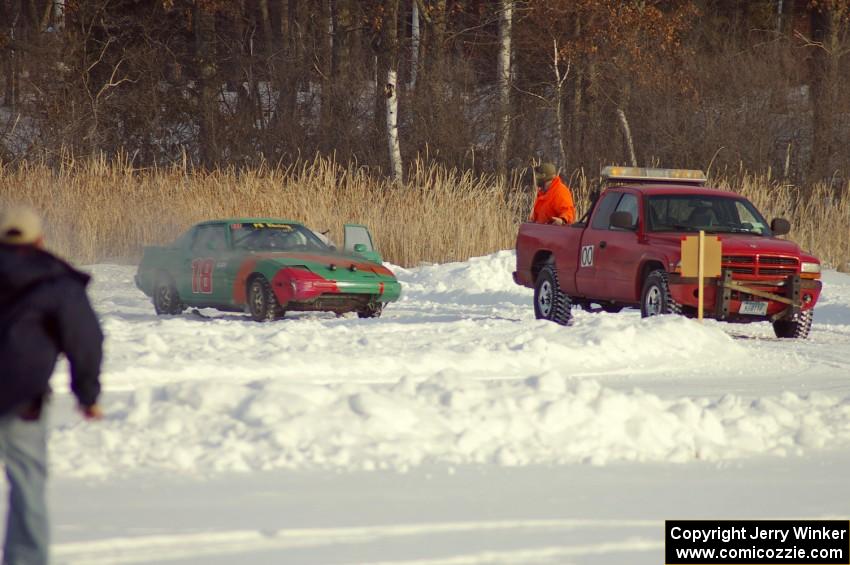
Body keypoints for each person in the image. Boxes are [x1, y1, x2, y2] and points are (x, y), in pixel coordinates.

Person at [0, 206, 103, 565]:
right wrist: (87, 395)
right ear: (39, 239)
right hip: (21, 398)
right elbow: (84, 340)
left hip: (20, 396)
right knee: (27, 484)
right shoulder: (56, 281)